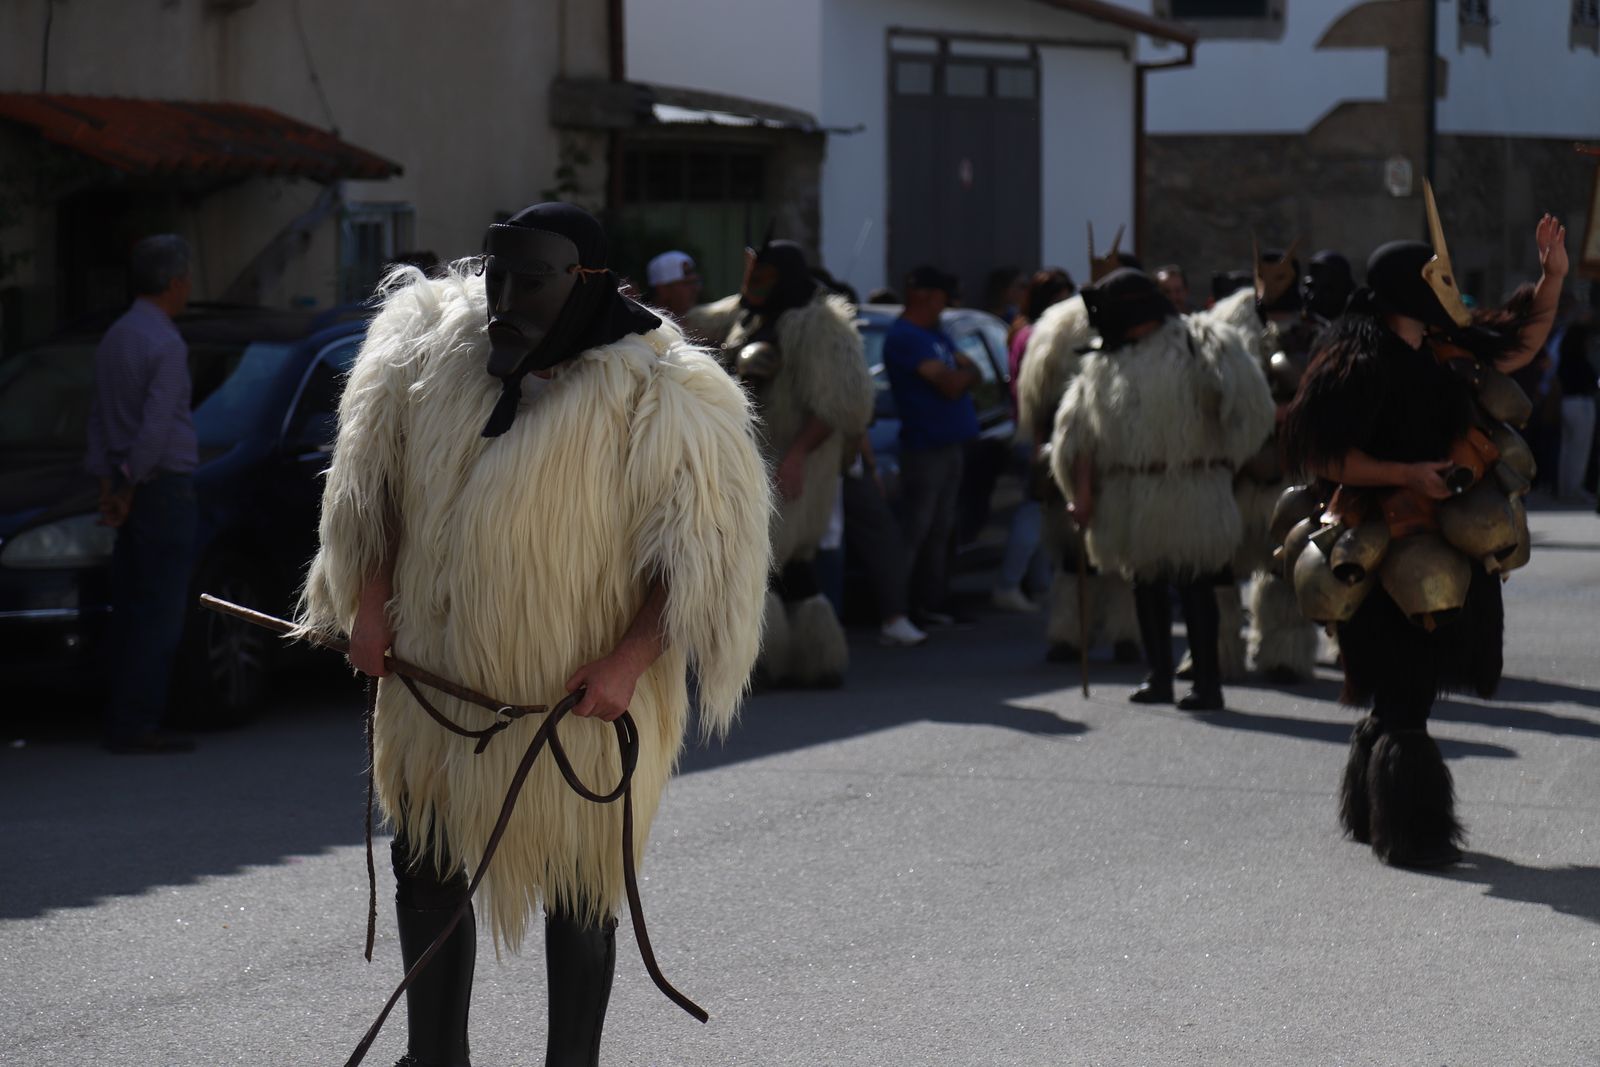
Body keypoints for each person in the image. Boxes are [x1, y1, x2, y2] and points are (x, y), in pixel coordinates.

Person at [297, 202, 771, 1066]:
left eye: (529, 282)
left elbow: (700, 557)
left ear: (582, 283)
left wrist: (629, 664)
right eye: (497, 277)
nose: (502, 299)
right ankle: (435, 1054)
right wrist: (366, 603)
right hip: (436, 686)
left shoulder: (660, 390)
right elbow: (381, 486)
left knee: (583, 888)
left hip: (578, 701)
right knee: (427, 861)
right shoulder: (434, 357)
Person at [1282, 212, 1565, 868]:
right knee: (1404, 690)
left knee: (1403, 690)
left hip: (1442, 530)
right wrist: (1405, 473)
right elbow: (1324, 456)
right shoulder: (1355, 357)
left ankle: (1371, 806)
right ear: (1402, 289)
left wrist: (1551, 278)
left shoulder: (1441, 346)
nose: (1449, 286)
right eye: (1434, 277)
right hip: (1380, 540)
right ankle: (1412, 832)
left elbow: (1518, 345)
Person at [1052, 268, 1275, 711]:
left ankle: (1206, 682)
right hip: (1131, 489)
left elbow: (1251, 408)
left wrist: (1221, 460)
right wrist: (1083, 494)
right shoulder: (1105, 360)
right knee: (1145, 583)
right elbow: (1079, 435)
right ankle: (1159, 676)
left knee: (1196, 583)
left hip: (1193, 485)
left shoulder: (1200, 344)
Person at [719, 240, 876, 686]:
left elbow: (844, 405)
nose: (755, 287)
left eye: (764, 278)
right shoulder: (752, 317)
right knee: (791, 567)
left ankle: (766, 663)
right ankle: (815, 659)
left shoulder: (821, 326)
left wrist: (797, 457)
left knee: (766, 560)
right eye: (752, 277)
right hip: (757, 459)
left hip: (789, 464)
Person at [84, 234, 199, 755]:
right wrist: (130, 482)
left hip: (128, 485)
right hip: (160, 488)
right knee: (159, 612)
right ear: (174, 283)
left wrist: (109, 482)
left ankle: (121, 715)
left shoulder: (117, 335)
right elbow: (154, 431)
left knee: (131, 606)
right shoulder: (166, 344)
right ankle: (140, 721)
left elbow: (101, 416)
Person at [1205, 244, 1324, 685]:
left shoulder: (1315, 334)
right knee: (1218, 568)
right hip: (1236, 470)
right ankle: (1214, 652)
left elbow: (1324, 399)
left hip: (1289, 472)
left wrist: (1291, 413)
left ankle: (1284, 652)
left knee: (1285, 566)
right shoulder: (1230, 334)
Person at [1015, 269, 1141, 664]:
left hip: (1122, 458)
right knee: (1073, 553)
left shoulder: (1139, 333)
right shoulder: (1059, 333)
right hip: (1069, 452)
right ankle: (1070, 633)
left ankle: (1126, 633)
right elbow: (1036, 399)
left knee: (1121, 553)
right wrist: (1042, 451)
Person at [883, 266, 981, 628]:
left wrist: (963, 374)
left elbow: (972, 371)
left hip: (948, 444)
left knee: (941, 529)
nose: (946, 305)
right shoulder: (908, 337)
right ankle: (898, 608)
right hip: (925, 448)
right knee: (917, 530)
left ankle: (930, 602)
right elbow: (952, 382)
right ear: (926, 295)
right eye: (942, 296)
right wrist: (962, 375)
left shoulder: (934, 334)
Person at [994, 268, 1075, 613]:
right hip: (1036, 432)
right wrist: (1040, 438)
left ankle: (1040, 585)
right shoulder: (1036, 335)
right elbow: (1034, 393)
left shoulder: (1023, 331)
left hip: (1032, 431)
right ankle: (1008, 584)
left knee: (1044, 512)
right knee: (1033, 510)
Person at [1556, 312, 1596, 501]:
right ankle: (1574, 488)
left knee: (1566, 448)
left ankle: (1565, 487)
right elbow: (1590, 381)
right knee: (1579, 449)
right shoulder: (1581, 361)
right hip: (1581, 404)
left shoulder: (1563, 359)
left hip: (1566, 403)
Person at [644, 249, 703, 324]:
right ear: (663, 290)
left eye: (695, 282)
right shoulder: (648, 328)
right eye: (687, 283)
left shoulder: (700, 325)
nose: (696, 289)